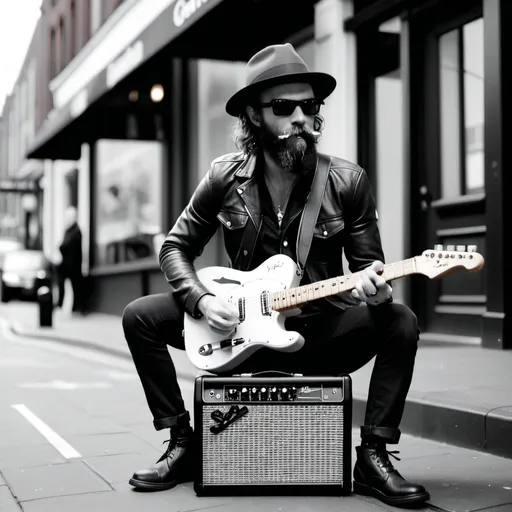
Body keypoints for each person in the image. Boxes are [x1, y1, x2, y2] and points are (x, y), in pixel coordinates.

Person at [122, 43, 429, 507]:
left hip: (321, 335)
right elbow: (174, 247)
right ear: (253, 115)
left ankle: (372, 456)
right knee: (139, 316)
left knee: (401, 320)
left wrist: (376, 289)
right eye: (284, 108)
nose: (301, 117)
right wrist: (202, 301)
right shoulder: (224, 177)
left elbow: (370, 270)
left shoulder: (347, 182)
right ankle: (183, 442)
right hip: (242, 334)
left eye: (310, 106)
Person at [57, 206, 86, 314]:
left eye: (68, 217)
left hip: (73, 264)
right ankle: (62, 305)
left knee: (76, 287)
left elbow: (65, 246)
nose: (66, 219)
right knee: (63, 285)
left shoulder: (76, 231)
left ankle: (77, 308)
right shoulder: (68, 230)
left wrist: (61, 247)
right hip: (67, 263)